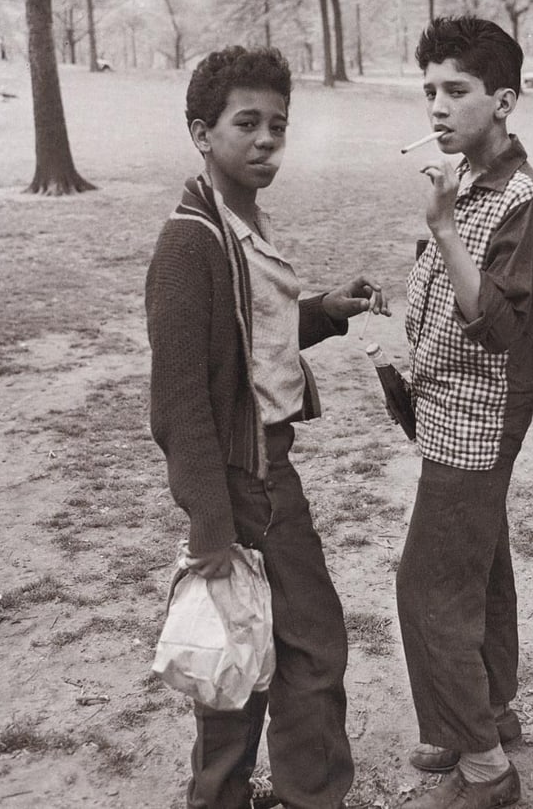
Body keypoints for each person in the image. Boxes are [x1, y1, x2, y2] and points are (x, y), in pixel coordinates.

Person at [146, 45, 389, 809]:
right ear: (200, 131)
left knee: (246, 647)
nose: (264, 141)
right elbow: (181, 402)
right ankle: (305, 795)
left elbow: (252, 345)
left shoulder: (240, 220)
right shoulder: (191, 242)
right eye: (245, 123)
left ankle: (228, 796)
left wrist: (324, 311)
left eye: (277, 126)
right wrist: (212, 526)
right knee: (300, 646)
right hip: (244, 480)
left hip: (264, 469)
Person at [397, 17, 533, 809]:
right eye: (428, 90)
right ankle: (489, 714)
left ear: (504, 100)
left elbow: (497, 323)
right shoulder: (467, 179)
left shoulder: (524, 200)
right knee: (481, 569)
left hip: (482, 415)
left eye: (455, 91)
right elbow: (441, 288)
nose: (436, 106)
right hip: (448, 406)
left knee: (431, 586)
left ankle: (486, 767)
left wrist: (439, 227)